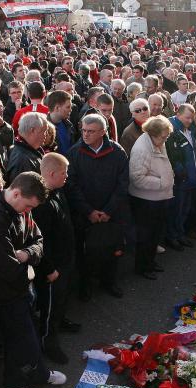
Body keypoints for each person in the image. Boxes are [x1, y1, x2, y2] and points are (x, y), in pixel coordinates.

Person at [0, 171, 67, 388]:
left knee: (27, 335)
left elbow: (38, 240)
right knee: (19, 340)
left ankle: (39, 373)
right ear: (15, 193)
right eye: (27, 206)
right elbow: (8, 270)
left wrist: (25, 254)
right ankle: (14, 385)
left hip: (20, 289)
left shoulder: (19, 209)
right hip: (5, 294)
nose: (28, 212)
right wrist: (32, 269)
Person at [65, 113, 130, 301]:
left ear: (103, 132)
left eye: (91, 131)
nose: (85, 135)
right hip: (85, 214)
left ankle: (109, 282)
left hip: (111, 213)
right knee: (86, 252)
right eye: (83, 130)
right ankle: (85, 286)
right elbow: (72, 186)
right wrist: (89, 211)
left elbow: (122, 183)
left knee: (111, 248)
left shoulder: (117, 152)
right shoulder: (74, 153)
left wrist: (108, 210)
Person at [33, 153, 79, 365]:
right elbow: (41, 242)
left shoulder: (57, 192)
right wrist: (50, 269)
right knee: (50, 306)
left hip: (65, 260)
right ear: (51, 174)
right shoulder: (41, 203)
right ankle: (48, 343)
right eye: (63, 173)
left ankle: (59, 324)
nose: (67, 176)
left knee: (60, 302)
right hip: (53, 268)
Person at [129, 116, 175, 280]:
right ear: (153, 134)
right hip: (146, 200)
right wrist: (162, 183)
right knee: (146, 235)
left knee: (155, 233)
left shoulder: (157, 142)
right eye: (164, 136)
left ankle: (150, 262)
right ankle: (142, 267)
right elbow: (137, 178)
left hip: (157, 197)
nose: (166, 139)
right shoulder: (142, 149)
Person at [166, 104, 196, 250]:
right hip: (180, 180)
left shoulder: (189, 129)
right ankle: (172, 237)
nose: (190, 121)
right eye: (187, 117)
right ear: (178, 114)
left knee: (185, 208)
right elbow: (172, 157)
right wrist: (182, 174)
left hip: (190, 178)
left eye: (191, 118)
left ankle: (180, 234)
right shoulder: (171, 130)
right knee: (176, 210)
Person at [5, 112, 47, 184]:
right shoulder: (21, 160)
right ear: (32, 130)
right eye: (43, 131)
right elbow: (23, 192)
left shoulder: (27, 150)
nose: (46, 135)